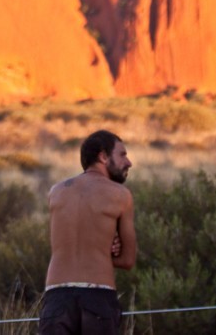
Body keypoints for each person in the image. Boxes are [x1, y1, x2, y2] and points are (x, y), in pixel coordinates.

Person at [39, 129, 137, 335]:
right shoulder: (120, 195)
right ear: (103, 156)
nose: (128, 162)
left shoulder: (56, 192)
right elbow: (128, 260)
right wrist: (103, 253)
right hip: (98, 298)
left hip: (57, 299)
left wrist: (96, 248)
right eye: (122, 155)